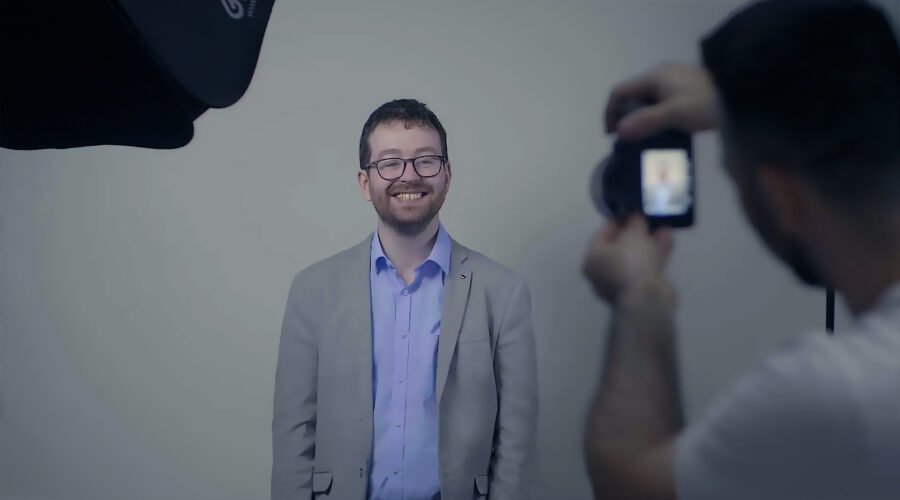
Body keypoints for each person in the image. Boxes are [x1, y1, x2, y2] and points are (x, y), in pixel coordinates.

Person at [582, 1, 900, 499]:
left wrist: (640, 294)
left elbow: (628, 479)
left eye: (733, 174)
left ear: (784, 198)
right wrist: (737, 105)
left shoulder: (840, 395)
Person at [271, 99, 538, 500]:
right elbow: (294, 431)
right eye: (390, 162)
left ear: (446, 176)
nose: (408, 176)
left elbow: (516, 437)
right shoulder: (312, 290)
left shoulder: (503, 292)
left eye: (425, 161)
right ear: (365, 182)